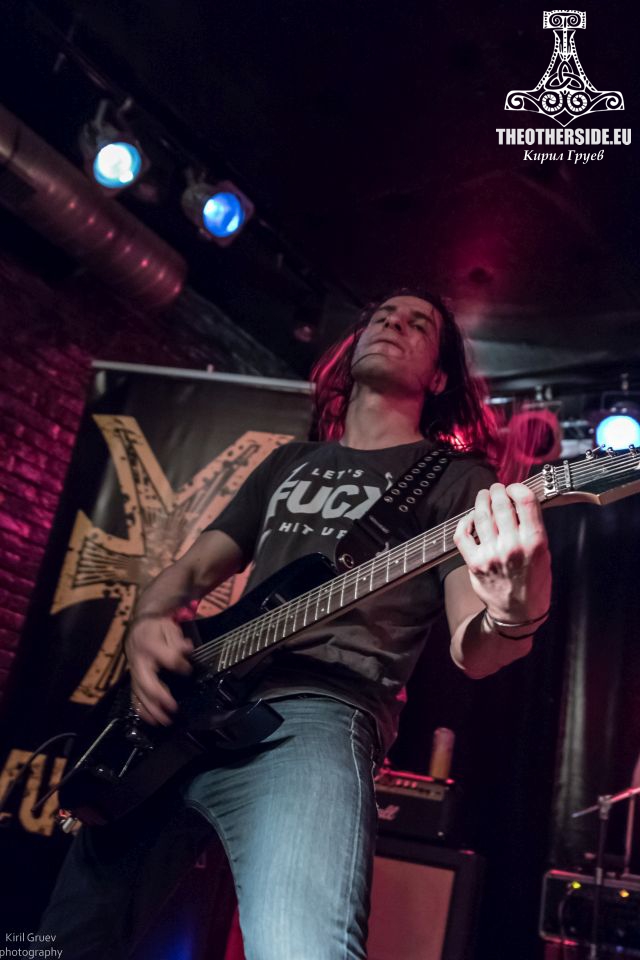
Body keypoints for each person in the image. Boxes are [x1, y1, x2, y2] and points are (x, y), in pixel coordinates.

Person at [40, 289, 552, 959]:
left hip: (318, 710)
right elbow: (186, 573)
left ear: (438, 377)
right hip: (188, 706)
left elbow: (473, 651)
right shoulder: (289, 462)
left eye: (417, 324)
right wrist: (148, 623)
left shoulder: (458, 481)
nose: (392, 324)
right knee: (58, 941)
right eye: (382, 316)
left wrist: (514, 611)